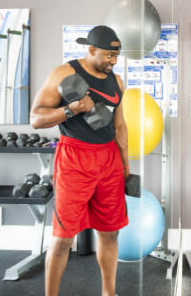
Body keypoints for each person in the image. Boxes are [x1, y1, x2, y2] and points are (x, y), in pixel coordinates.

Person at [30, 25, 129, 296]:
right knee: (63, 237)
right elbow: (36, 118)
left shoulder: (117, 81)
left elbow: (120, 126)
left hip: (108, 159)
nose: (113, 61)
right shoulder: (65, 72)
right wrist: (71, 108)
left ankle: (109, 293)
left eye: (116, 56)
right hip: (75, 157)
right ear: (92, 49)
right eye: (108, 55)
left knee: (110, 231)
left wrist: (125, 167)